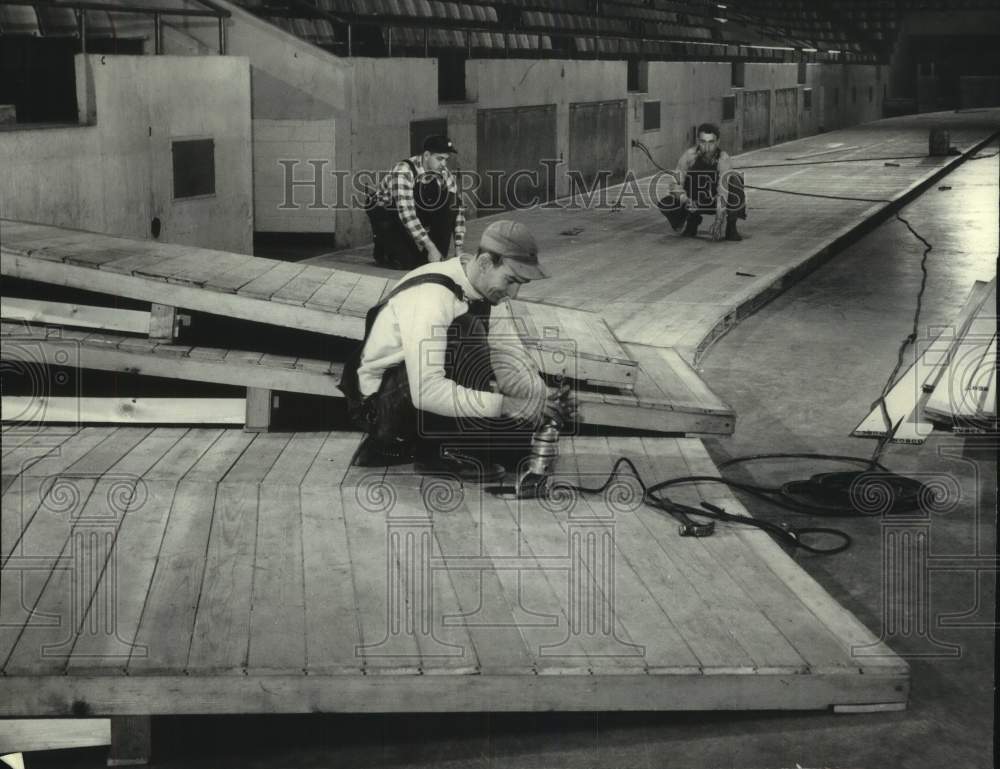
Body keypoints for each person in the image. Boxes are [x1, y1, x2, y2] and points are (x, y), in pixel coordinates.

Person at [340, 219, 573, 481]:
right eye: (510, 281)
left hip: (419, 399)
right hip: (383, 407)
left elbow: (512, 359)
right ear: (485, 263)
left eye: (520, 283)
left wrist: (540, 400)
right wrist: (507, 404)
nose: (514, 293)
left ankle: (438, 445)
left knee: (518, 451)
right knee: (467, 330)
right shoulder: (431, 296)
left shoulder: (485, 292)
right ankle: (439, 451)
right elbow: (425, 391)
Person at [366, 134, 467, 270]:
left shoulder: (443, 172)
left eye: (446, 160)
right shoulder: (403, 171)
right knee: (407, 263)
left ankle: (433, 257)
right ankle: (383, 245)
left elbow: (457, 208)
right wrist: (430, 247)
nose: (444, 164)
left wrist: (459, 248)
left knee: (452, 200)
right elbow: (407, 215)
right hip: (386, 212)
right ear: (426, 155)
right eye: (440, 159)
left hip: (413, 208)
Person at [656, 123, 746, 241]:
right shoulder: (688, 156)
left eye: (711, 142)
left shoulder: (723, 159)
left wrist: (719, 221)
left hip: (714, 201)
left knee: (735, 180)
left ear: (718, 142)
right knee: (666, 203)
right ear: (698, 141)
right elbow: (675, 185)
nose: (707, 147)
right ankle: (691, 221)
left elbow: (723, 193)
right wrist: (686, 200)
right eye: (703, 142)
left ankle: (731, 226)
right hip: (695, 201)